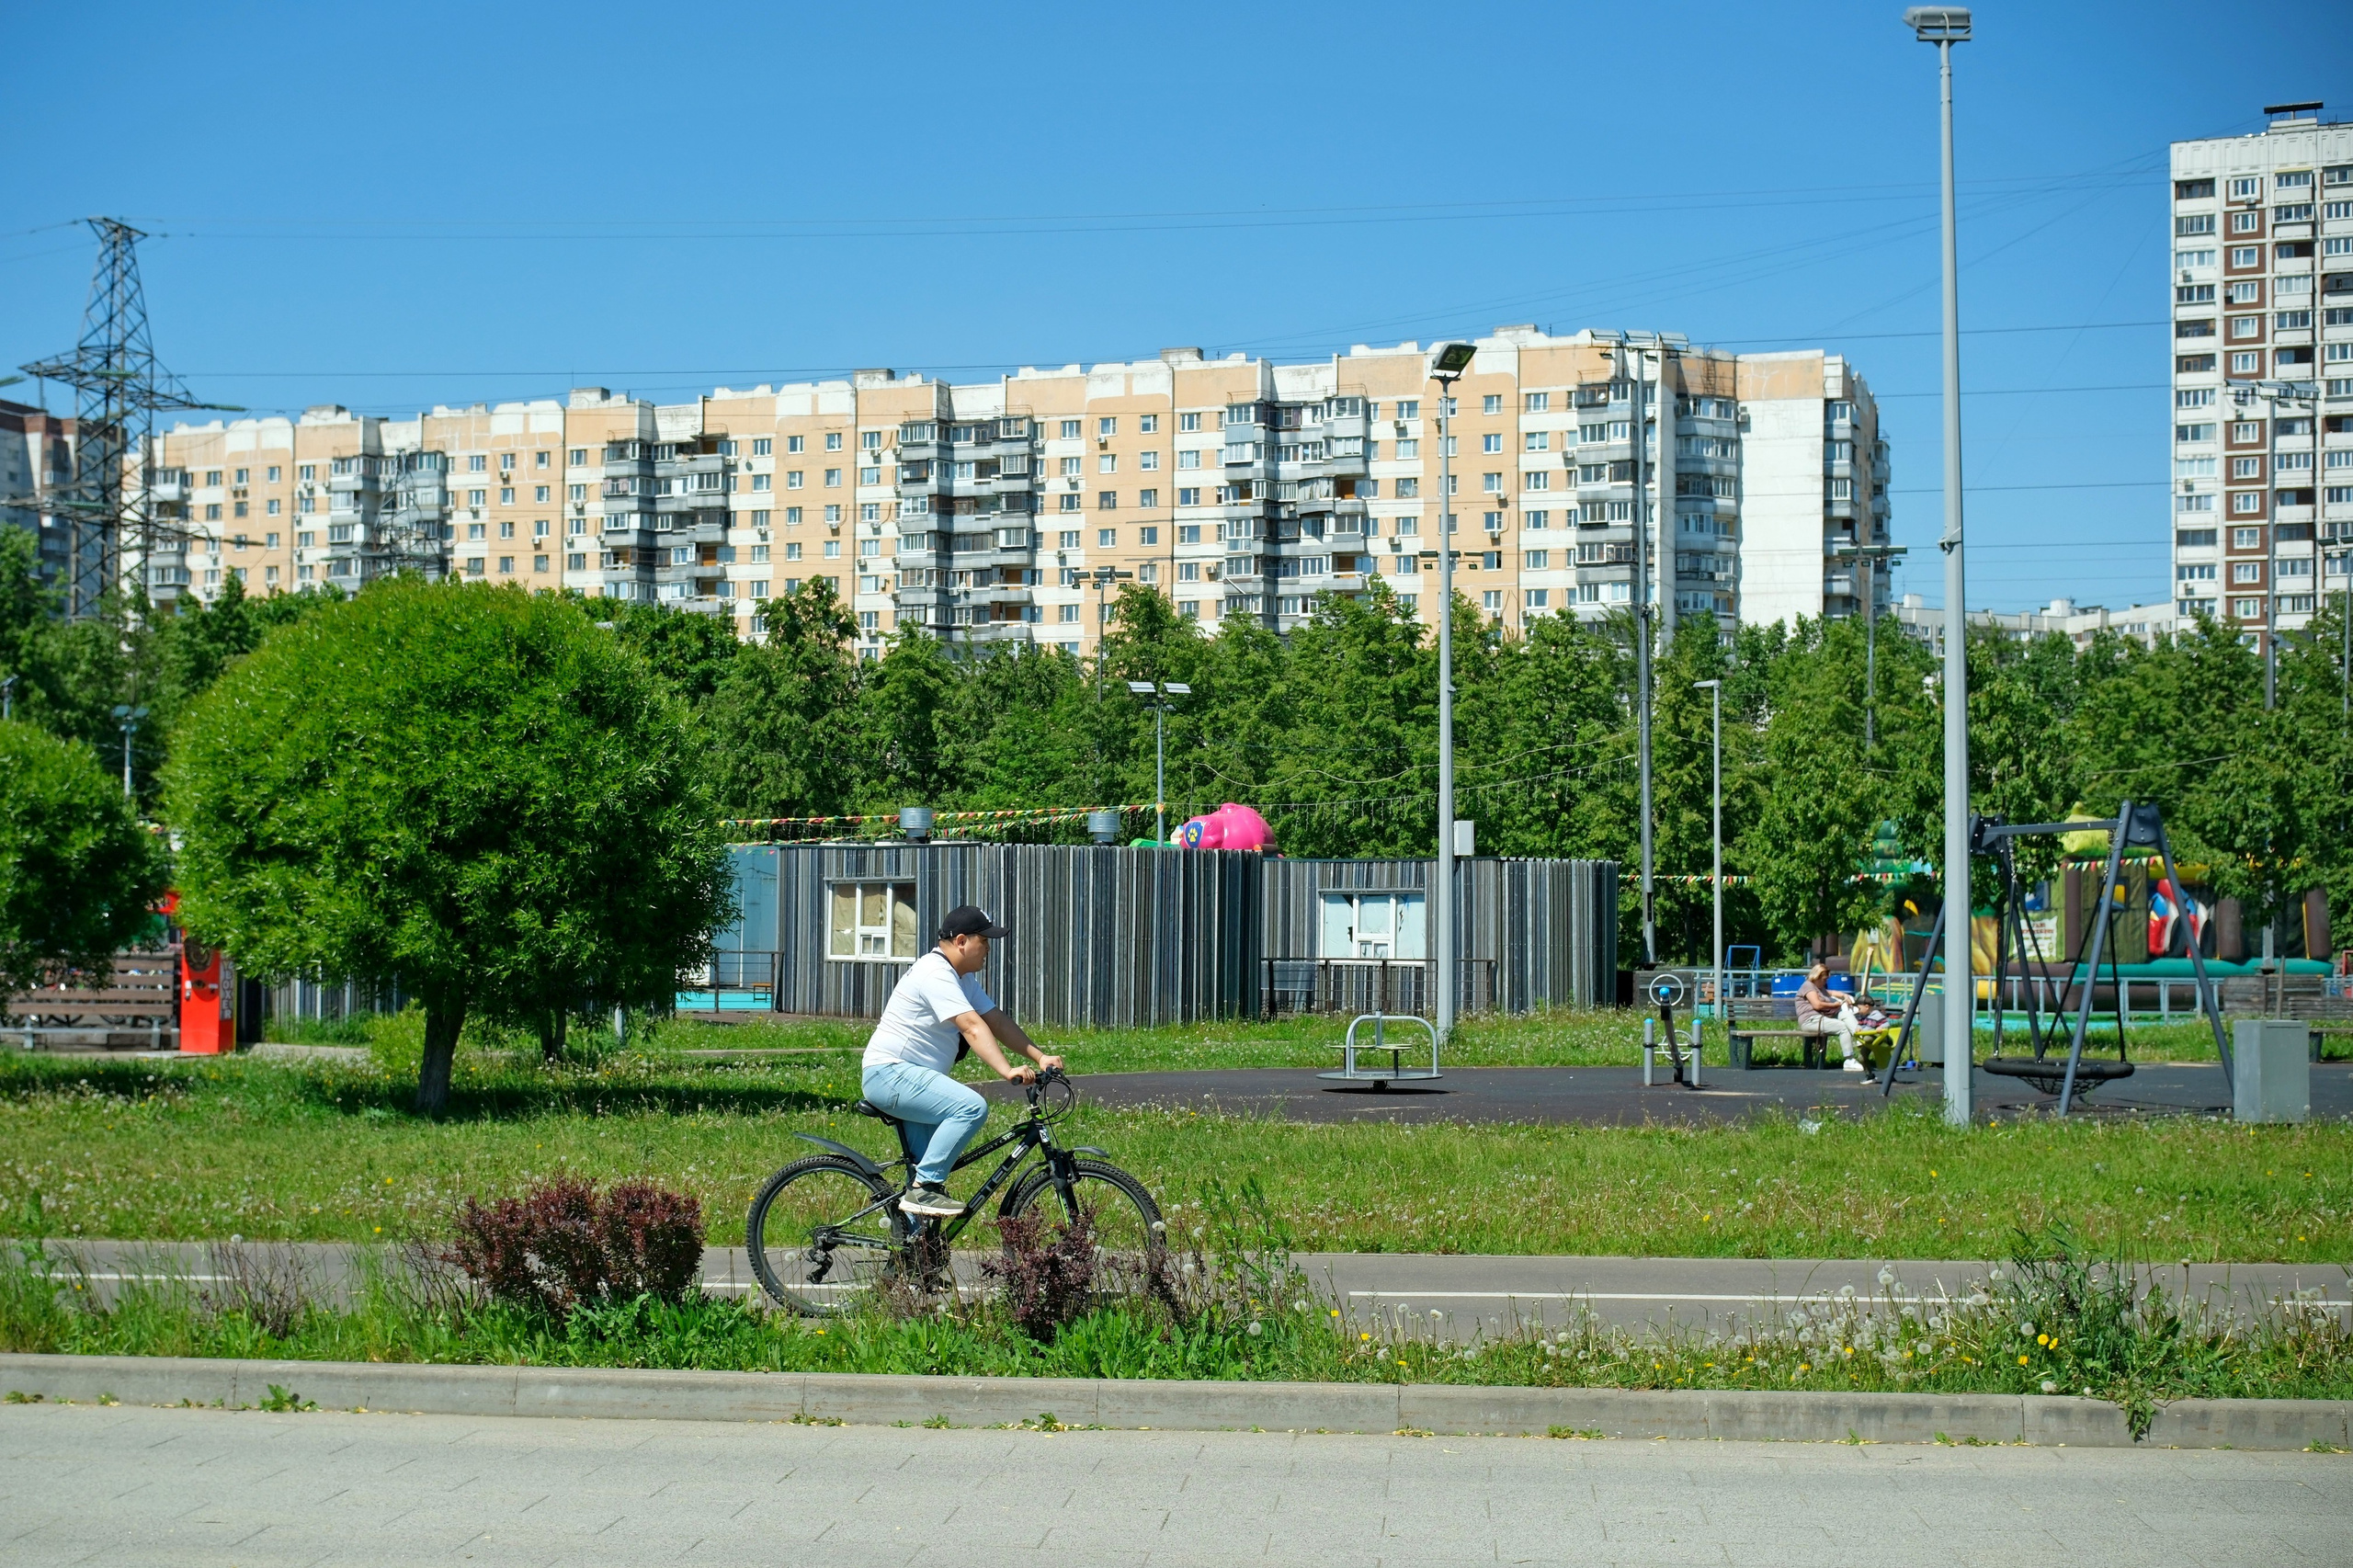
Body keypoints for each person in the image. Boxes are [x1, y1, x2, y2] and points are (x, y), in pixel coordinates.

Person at [861, 904, 1062, 1218]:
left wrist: (1040, 1055)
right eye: (985, 941)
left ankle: (911, 1255)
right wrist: (1007, 1070)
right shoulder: (935, 972)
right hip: (891, 1074)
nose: (989, 949)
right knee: (970, 1108)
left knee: (919, 1172)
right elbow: (972, 1026)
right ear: (962, 941)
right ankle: (925, 1188)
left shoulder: (961, 978)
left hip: (910, 1079)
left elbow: (995, 1021)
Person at [1795, 961, 1874, 1082]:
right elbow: (1817, 1005)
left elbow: (1831, 992)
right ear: (1816, 977)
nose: (1825, 982)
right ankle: (1849, 1059)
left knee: (1845, 1014)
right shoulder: (1808, 986)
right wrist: (1834, 1004)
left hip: (1820, 1019)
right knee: (1843, 1027)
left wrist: (1844, 996)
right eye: (1824, 979)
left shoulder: (1819, 988)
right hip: (1810, 1021)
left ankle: (1860, 1037)